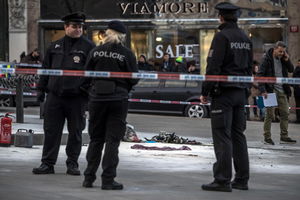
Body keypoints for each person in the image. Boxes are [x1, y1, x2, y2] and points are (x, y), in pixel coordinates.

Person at [32, 12, 96, 175]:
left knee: (75, 132)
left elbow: (94, 74)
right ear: (66, 27)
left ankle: (72, 163)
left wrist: (85, 91)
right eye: (74, 26)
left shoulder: (89, 47)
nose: (78, 29)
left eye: (80, 26)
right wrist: (40, 89)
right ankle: (47, 163)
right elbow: (45, 69)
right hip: (55, 96)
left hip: (77, 98)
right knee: (51, 131)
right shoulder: (54, 46)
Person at [200, 2, 252, 192]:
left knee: (222, 135)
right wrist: (245, 90)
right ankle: (242, 179)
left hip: (224, 94)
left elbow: (214, 67)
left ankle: (222, 180)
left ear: (221, 17)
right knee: (239, 135)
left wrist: (205, 91)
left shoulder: (222, 37)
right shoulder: (245, 38)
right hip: (241, 93)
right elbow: (248, 69)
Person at [82, 20, 139, 190]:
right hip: (118, 100)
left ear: (107, 33)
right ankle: (108, 180)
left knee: (96, 139)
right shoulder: (127, 53)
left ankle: (88, 178)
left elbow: (86, 76)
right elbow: (134, 78)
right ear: (121, 36)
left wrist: (91, 91)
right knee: (112, 141)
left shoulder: (95, 51)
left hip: (97, 99)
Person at [257, 41, 296, 145]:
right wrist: (263, 90)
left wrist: (287, 59)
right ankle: (267, 137)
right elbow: (260, 75)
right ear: (274, 49)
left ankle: (284, 136)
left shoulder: (283, 59)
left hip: (282, 89)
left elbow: (291, 70)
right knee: (269, 114)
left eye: (283, 52)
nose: (281, 54)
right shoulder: (266, 59)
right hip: (270, 90)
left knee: (285, 113)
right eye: (279, 51)